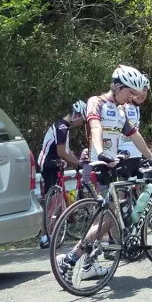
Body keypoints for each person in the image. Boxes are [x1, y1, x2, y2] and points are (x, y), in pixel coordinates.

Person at [55, 65, 152, 281]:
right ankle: (72, 258)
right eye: (129, 92)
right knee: (108, 218)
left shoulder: (120, 110)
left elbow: (134, 134)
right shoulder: (96, 102)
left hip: (112, 167)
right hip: (98, 166)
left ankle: (89, 262)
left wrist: (151, 156)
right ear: (117, 87)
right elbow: (95, 127)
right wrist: (100, 153)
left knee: (105, 218)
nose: (131, 98)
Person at [37, 100, 88, 249]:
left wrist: (77, 161)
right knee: (52, 202)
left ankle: (52, 232)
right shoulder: (61, 128)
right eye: (82, 120)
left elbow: (66, 150)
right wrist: (77, 164)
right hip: (49, 165)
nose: (81, 124)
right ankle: (45, 236)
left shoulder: (64, 127)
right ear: (76, 115)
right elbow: (61, 153)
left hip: (54, 164)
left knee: (56, 199)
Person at [118, 74, 150, 180]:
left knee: (139, 187)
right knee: (123, 189)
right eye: (139, 89)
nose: (142, 93)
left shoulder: (137, 108)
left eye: (145, 89)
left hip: (136, 155)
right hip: (123, 156)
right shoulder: (123, 106)